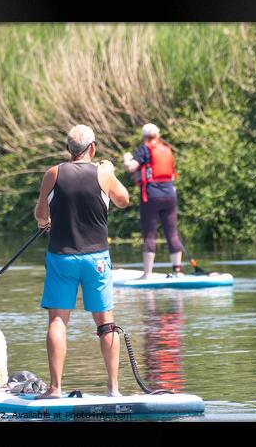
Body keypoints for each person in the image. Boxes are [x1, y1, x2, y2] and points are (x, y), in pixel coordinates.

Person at [34, 124, 130, 399]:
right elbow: (123, 200)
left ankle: (55, 388)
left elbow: (41, 213)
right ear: (92, 148)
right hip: (96, 258)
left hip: (61, 257)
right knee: (105, 322)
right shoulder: (103, 173)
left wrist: (45, 220)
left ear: (68, 150)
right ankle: (113, 389)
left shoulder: (53, 173)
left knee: (58, 321)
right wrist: (110, 173)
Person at [123, 123, 185, 279]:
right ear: (158, 135)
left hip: (151, 196)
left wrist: (126, 159)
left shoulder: (144, 149)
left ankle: (147, 274)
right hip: (170, 194)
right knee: (172, 234)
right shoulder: (167, 149)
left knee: (149, 234)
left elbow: (131, 168)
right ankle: (178, 271)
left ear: (144, 136)